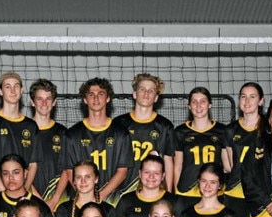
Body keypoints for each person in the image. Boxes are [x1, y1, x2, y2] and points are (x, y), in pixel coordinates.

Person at [53, 77, 133, 206]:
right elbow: (69, 172)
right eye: (91, 94)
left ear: (108, 98)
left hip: (111, 201)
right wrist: (85, 198)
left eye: (101, 94)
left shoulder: (121, 134)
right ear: (85, 99)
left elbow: (122, 172)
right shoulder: (72, 134)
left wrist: (100, 196)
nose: (96, 98)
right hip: (80, 200)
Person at [0, 72, 40, 199]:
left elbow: (33, 164)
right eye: (7, 87)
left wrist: (24, 192)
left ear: (22, 90)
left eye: (16, 86)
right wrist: (6, 194)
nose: (13, 90)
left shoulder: (31, 126)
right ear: (0, 91)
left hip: (22, 198)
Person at [173, 87, 230, 216]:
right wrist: (176, 192)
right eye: (194, 101)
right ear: (189, 106)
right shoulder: (180, 132)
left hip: (214, 193)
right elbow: (177, 166)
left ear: (210, 105)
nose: (198, 106)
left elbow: (227, 165)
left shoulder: (222, 131)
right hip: (186, 192)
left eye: (203, 101)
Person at [113, 73, 175, 192]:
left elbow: (168, 162)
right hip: (123, 190)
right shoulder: (119, 123)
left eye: (151, 90)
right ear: (135, 94)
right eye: (142, 89)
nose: (146, 93)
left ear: (156, 97)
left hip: (154, 189)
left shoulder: (165, 126)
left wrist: (169, 193)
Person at [223, 82, 265, 217]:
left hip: (261, 195)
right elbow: (229, 166)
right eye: (243, 97)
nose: (247, 101)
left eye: (252, 97)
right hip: (236, 193)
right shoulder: (230, 130)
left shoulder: (269, 129)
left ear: (261, 101)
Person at [53, 159, 119, 217]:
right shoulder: (63, 209)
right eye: (78, 177)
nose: (83, 181)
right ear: (74, 182)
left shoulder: (109, 210)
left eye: (87, 176)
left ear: (96, 179)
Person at [30, 78, 68, 209]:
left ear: (54, 102)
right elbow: (21, 170)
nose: (44, 103)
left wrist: (54, 199)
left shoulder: (63, 133)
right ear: (32, 102)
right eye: (39, 99)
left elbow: (67, 169)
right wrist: (39, 200)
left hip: (58, 202)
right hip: (30, 201)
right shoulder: (23, 131)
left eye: (48, 99)